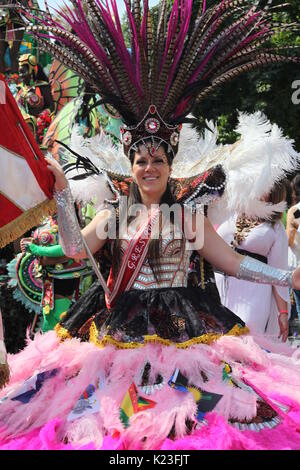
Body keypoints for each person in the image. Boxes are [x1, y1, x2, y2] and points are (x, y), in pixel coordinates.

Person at [1, 0, 300, 451]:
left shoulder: (187, 216)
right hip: (120, 330)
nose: (149, 168)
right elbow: (75, 249)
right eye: (141, 160)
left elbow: (233, 262)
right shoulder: (115, 213)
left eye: (157, 160)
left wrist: (286, 276)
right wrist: (62, 195)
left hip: (189, 329)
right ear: (132, 165)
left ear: (169, 164)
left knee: (191, 423)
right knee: (118, 428)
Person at [215, 181, 290, 341]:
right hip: (220, 287)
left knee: (247, 340)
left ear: (273, 193)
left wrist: (282, 313)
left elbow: (278, 273)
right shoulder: (232, 213)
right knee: (220, 341)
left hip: (254, 292)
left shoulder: (275, 228)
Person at [16, 54, 54, 144]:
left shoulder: (42, 87)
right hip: (21, 129)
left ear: (32, 71)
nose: (21, 75)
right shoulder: (20, 89)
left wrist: (42, 118)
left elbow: (51, 106)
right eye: (19, 72)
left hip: (38, 130)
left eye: (23, 72)